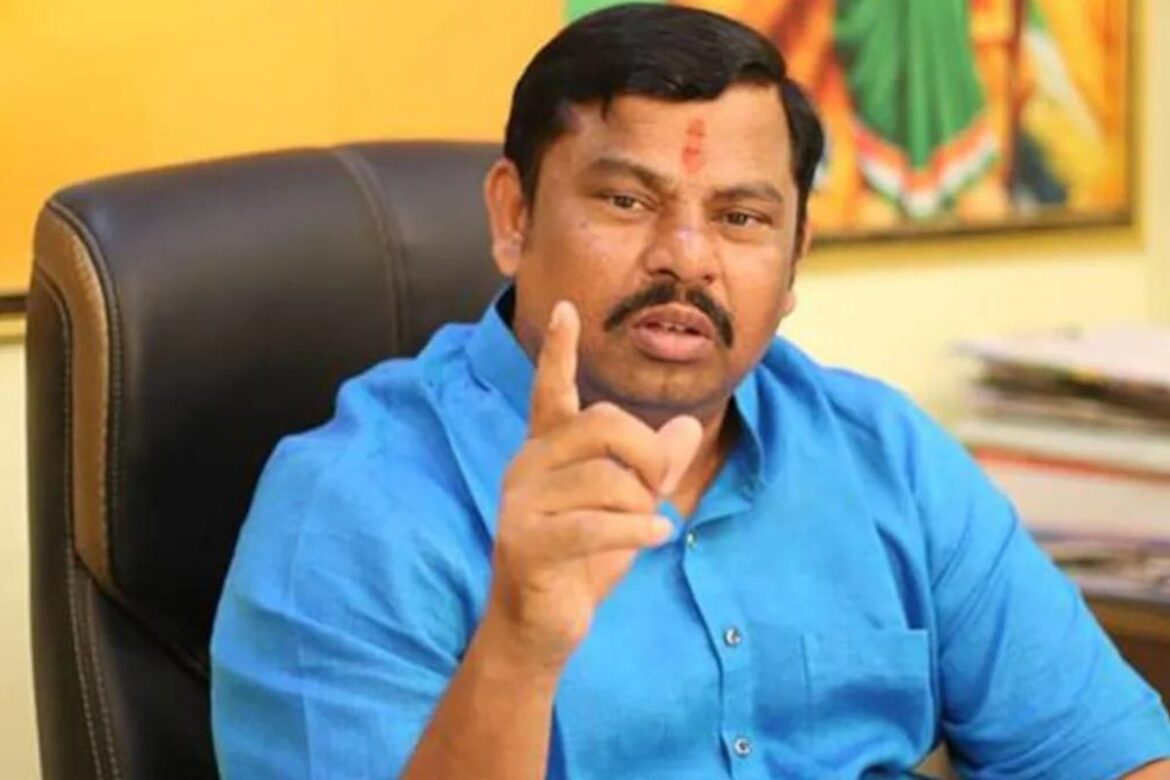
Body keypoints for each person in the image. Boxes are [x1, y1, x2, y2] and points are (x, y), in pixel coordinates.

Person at [210, 5, 1170, 778]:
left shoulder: (883, 453)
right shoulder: (354, 507)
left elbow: (1113, 758)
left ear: (794, 260)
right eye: (627, 202)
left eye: (742, 217)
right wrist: (519, 645)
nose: (687, 258)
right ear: (513, 215)